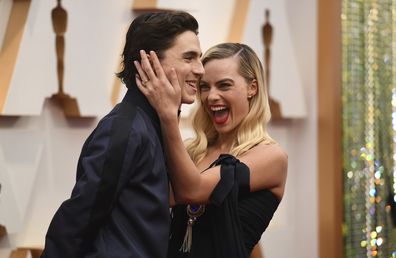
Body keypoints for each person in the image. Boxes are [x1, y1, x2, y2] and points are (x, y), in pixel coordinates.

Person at [41, 10, 204, 258]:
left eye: (199, 58)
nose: (200, 69)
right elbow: (79, 217)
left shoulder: (152, 126)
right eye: (189, 58)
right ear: (150, 62)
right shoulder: (124, 128)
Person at [135, 43, 288, 258]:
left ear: (252, 88)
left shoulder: (271, 156)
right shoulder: (192, 151)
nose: (211, 96)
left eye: (224, 85)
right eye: (204, 87)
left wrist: (168, 115)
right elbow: (155, 196)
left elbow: (192, 191)